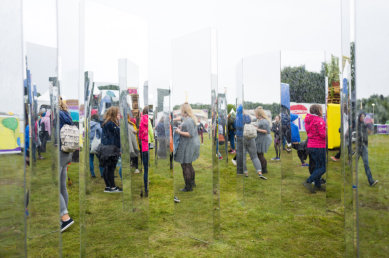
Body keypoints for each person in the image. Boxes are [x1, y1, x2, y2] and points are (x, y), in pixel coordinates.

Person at [235, 105, 267, 179]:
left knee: (243, 157)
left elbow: (235, 127)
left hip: (240, 137)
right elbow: (251, 121)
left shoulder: (237, 118)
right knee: (254, 156)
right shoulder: (247, 117)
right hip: (250, 136)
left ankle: (245, 173)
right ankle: (259, 172)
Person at [174, 103, 200, 192]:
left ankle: (188, 187)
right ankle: (192, 183)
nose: (180, 112)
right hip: (190, 145)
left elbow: (190, 134)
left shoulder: (189, 121)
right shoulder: (189, 119)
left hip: (187, 145)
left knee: (185, 165)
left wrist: (179, 131)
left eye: (181, 110)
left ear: (184, 111)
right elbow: (183, 121)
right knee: (189, 164)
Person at [59, 97, 75, 232]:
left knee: (54, 186)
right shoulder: (66, 115)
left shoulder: (56, 115)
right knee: (62, 185)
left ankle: (65, 217)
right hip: (67, 151)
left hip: (59, 151)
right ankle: (64, 213)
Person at [303, 105, 326, 193]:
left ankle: (317, 185)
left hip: (311, 145)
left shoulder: (308, 120)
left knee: (317, 166)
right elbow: (322, 135)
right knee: (323, 167)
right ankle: (308, 181)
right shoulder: (319, 121)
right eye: (321, 109)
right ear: (318, 110)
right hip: (319, 146)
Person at [101, 106, 122, 193]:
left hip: (107, 148)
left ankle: (108, 186)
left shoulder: (107, 123)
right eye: (118, 113)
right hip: (112, 149)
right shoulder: (111, 124)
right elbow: (117, 135)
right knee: (110, 168)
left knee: (108, 168)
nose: (119, 115)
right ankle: (112, 187)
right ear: (114, 114)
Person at [357, 112, 378, 186]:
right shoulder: (355, 125)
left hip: (364, 148)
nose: (363, 118)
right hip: (357, 148)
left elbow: (371, 130)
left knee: (366, 164)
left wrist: (372, 123)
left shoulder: (365, 124)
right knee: (352, 165)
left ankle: (371, 182)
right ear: (359, 117)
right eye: (361, 116)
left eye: (364, 116)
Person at [254, 107, 272, 174]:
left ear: (258, 114)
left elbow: (266, 131)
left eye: (255, 113)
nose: (255, 115)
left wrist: (256, 129)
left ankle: (264, 169)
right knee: (259, 154)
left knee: (259, 154)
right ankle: (262, 168)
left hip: (263, 139)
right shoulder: (260, 120)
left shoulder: (264, 121)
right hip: (260, 138)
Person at [139, 107, 150, 197]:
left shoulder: (141, 120)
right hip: (148, 145)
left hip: (143, 146)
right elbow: (150, 131)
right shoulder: (149, 120)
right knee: (147, 168)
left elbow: (140, 134)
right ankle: (146, 188)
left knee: (144, 168)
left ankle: (145, 188)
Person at [89, 112, 103, 178]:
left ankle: (92, 174)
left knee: (90, 160)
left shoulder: (87, 124)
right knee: (100, 159)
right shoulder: (97, 125)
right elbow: (101, 133)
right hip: (96, 144)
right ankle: (102, 174)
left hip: (89, 144)